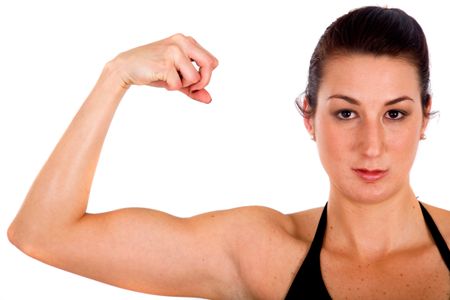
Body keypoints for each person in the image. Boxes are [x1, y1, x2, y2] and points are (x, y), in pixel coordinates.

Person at [7, 5, 450, 299]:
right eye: (346, 114)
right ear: (309, 117)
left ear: (424, 118)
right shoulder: (260, 252)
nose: (371, 146)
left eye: (395, 115)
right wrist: (116, 75)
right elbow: (42, 234)